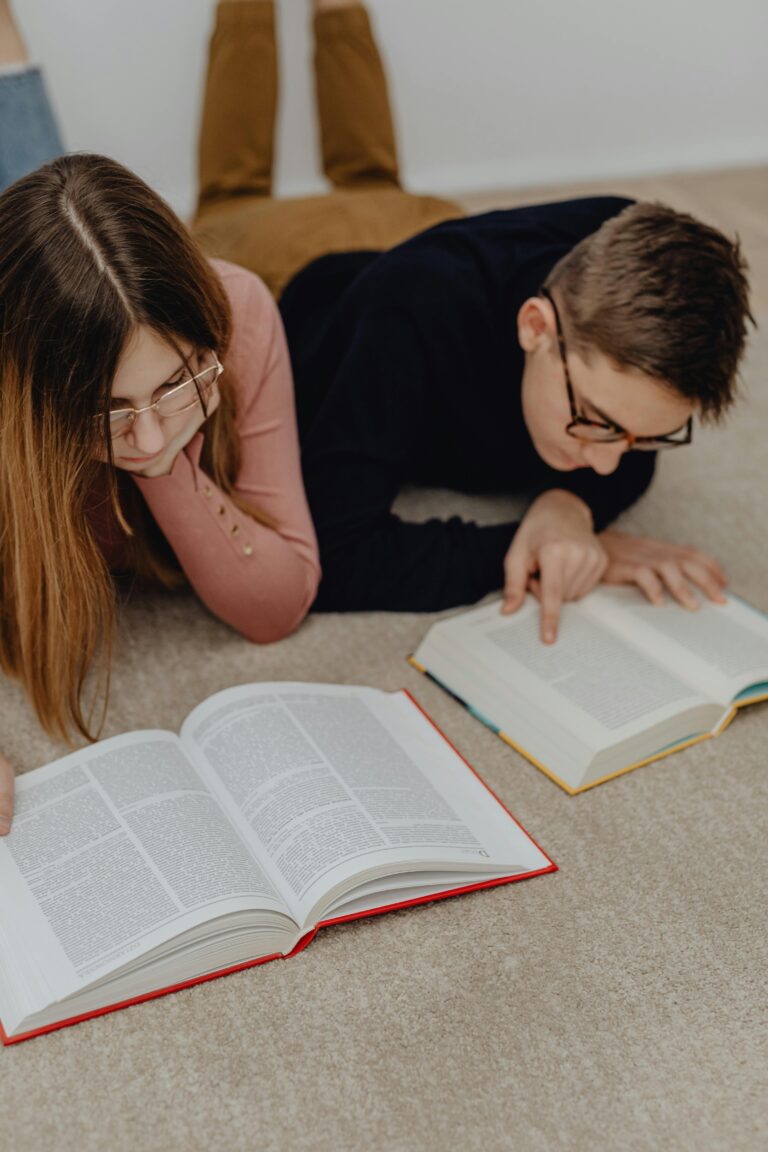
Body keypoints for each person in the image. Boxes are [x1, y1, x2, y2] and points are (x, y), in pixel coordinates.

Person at [191, 1, 751, 633]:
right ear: (536, 327)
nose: (607, 466)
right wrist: (537, 548)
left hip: (422, 228)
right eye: (595, 424)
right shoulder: (405, 324)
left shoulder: (627, 250)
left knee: (373, 179)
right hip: (289, 264)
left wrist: (568, 505)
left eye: (641, 438)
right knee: (229, 194)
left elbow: (627, 429)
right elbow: (331, 554)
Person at [0, 10, 321, 833]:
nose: (145, 437)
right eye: (104, 412)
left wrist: (166, 463)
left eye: (173, 384)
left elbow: (277, 604)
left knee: (48, 194)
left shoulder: (237, 311)